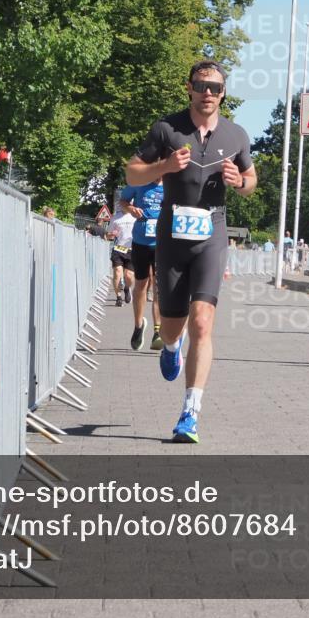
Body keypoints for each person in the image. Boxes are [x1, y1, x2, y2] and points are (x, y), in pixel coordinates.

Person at [125, 59, 257, 443]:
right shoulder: (167, 128)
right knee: (172, 324)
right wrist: (163, 166)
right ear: (189, 87)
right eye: (201, 85)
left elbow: (251, 179)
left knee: (203, 321)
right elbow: (132, 172)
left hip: (212, 231)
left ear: (223, 93)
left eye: (215, 87)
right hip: (171, 231)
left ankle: (190, 413)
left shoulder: (236, 135)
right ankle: (170, 345)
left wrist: (240, 182)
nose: (208, 93)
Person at [119, 178, 165, 351]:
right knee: (141, 285)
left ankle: (158, 331)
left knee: (159, 287)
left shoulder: (172, 184)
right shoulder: (138, 182)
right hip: (141, 242)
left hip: (162, 243)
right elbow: (122, 201)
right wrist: (130, 209)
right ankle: (138, 326)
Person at [106, 206, 136, 307]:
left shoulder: (135, 216)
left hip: (132, 250)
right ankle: (118, 297)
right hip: (118, 249)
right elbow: (108, 235)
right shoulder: (115, 218)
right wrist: (112, 234)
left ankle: (127, 288)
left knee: (129, 276)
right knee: (117, 273)